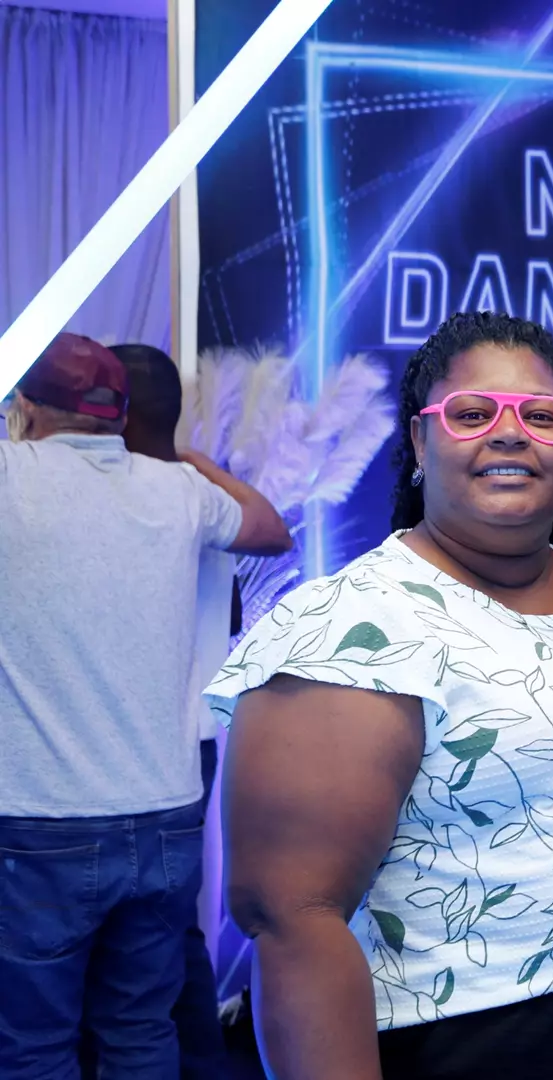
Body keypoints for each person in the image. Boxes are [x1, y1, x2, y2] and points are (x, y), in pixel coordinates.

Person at [210, 311, 553, 1080]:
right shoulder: (352, 626)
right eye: (472, 415)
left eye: (541, 416)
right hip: (482, 1035)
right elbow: (294, 920)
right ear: (419, 441)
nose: (509, 435)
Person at [0, 332, 292, 1077]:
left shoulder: (9, 473)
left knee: (34, 1046)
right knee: (140, 1032)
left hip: (40, 824)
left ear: (27, 409)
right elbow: (269, 529)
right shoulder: (179, 492)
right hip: (165, 817)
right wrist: (190, 461)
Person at [113, 342, 238, 1079]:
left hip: (143, 740)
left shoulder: (150, 498)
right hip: (192, 736)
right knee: (166, 929)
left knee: (145, 938)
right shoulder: (201, 495)